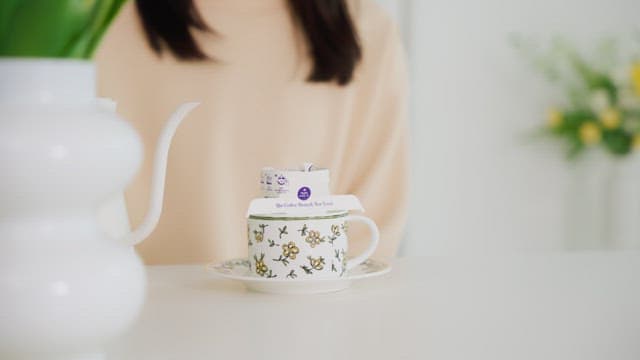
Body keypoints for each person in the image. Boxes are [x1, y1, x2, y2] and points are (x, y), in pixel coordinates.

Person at [96, 0, 408, 264]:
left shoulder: (366, 30)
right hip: (125, 324)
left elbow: (369, 240)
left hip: (307, 327)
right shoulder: (90, 25)